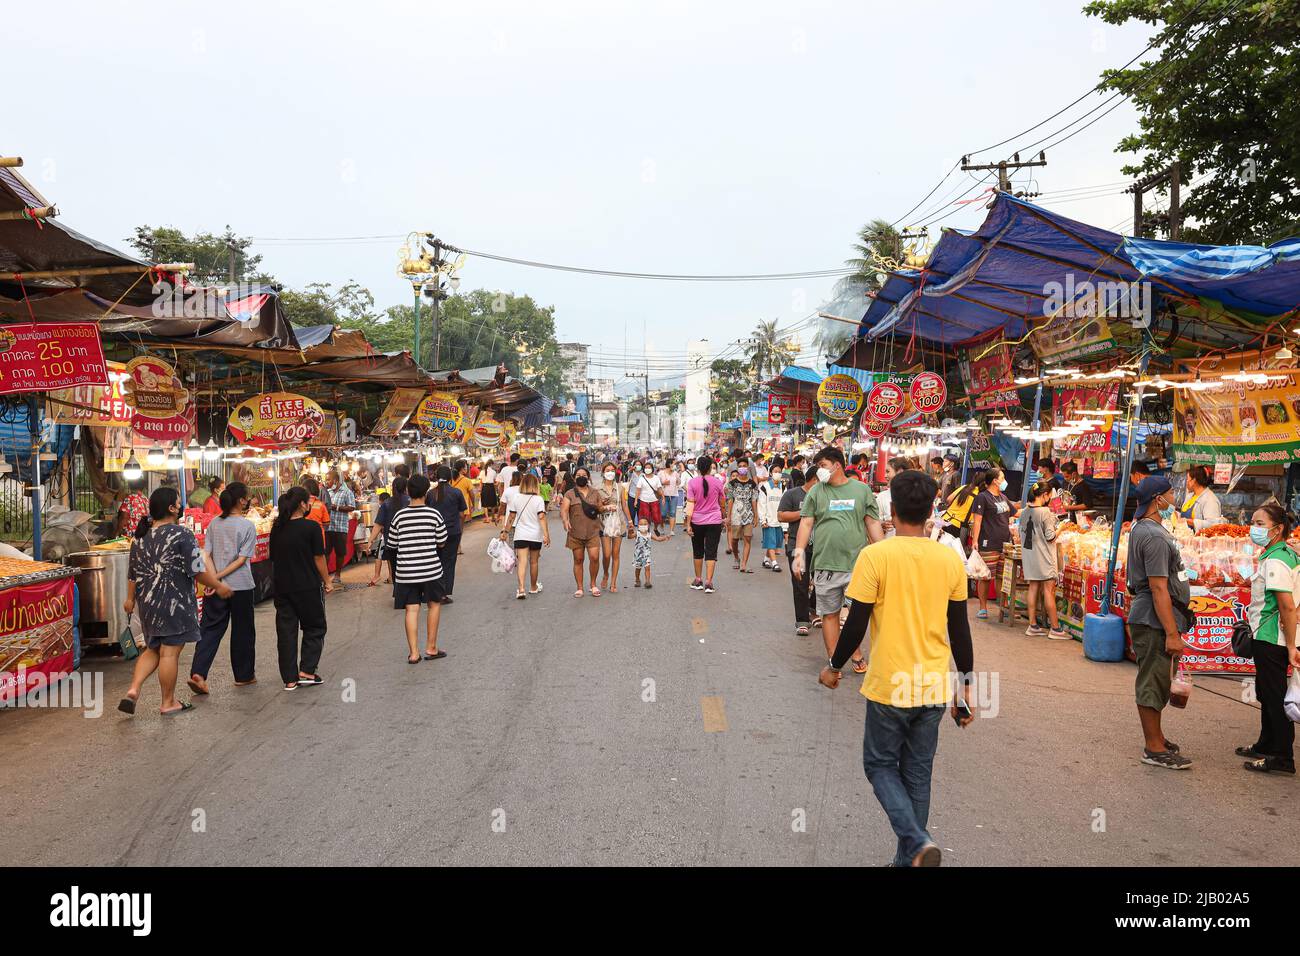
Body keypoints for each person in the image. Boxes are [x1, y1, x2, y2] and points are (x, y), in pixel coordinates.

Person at [817, 469, 974, 867]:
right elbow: (960, 630)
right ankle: (911, 860)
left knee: (880, 765)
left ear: (893, 508)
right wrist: (967, 685)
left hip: (891, 685)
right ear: (932, 508)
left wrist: (834, 665)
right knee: (918, 776)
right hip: (934, 686)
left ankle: (917, 843)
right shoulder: (948, 559)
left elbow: (855, 624)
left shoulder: (876, 556)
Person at [118, 488, 233, 716]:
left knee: (152, 649)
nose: (180, 506)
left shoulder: (139, 539)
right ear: (171, 508)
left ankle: (133, 689)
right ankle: (168, 702)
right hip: (174, 603)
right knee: (169, 653)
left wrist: (130, 599)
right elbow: (197, 571)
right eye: (178, 503)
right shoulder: (182, 535)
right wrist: (219, 585)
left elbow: (133, 575)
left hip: (148, 603)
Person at [792, 446, 883, 673]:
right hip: (825, 564)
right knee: (829, 614)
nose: (819, 471)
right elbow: (806, 523)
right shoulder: (816, 492)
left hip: (857, 564)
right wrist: (798, 554)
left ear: (837, 465)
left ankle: (855, 651)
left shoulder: (861, 491)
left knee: (856, 614)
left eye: (822, 466)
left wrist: (884, 554)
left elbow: (872, 523)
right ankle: (835, 662)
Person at [1125, 475, 1193, 769]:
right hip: (1152, 620)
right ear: (1158, 500)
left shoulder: (1149, 528)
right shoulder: (1152, 535)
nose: (1174, 498)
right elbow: (1158, 588)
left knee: (1159, 679)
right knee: (1153, 681)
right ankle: (1153, 747)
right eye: (1170, 493)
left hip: (1156, 617)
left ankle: (1158, 738)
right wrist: (1171, 633)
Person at [1241, 503, 1298, 774]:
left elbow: (1286, 605)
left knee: (1274, 696)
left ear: (1277, 529)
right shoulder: (1281, 554)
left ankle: (1282, 756)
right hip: (1269, 635)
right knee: (1265, 691)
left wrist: (1290, 645)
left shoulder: (1277, 559)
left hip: (1273, 637)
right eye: (1253, 522)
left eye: (1260, 523)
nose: (1254, 528)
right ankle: (1266, 743)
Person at [189, 481, 258, 694]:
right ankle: (244, 676)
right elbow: (241, 560)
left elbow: (205, 554)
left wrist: (213, 580)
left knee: (209, 629)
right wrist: (217, 579)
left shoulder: (214, 524)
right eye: (246, 497)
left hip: (215, 587)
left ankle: (198, 674)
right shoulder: (247, 526)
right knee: (243, 631)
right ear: (241, 501)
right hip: (241, 586)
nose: (248, 500)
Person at [268, 486, 331, 690]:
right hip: (308, 586)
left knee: (286, 631)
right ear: (302, 504)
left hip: (283, 587)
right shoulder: (311, 527)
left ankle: (289, 678)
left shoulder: (277, 529)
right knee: (315, 627)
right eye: (307, 501)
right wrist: (327, 581)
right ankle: (307, 671)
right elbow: (319, 558)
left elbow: (273, 558)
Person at [387, 474, 449, 664]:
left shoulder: (399, 516)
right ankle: (431, 647)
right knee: (433, 605)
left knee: (411, 609)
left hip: (406, 573)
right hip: (431, 570)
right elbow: (442, 541)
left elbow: (392, 544)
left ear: (408, 491)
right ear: (426, 492)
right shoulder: (434, 514)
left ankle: (413, 653)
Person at [968, 467, 1018, 620]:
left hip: (1004, 543)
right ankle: (983, 608)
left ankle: (1004, 607)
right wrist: (975, 541)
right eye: (1002, 477)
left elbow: (1015, 512)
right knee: (985, 576)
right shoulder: (982, 497)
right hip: (988, 542)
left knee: (1002, 577)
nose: (1004, 480)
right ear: (995, 481)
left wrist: (1034, 507)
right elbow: (977, 520)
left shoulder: (1003, 497)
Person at [1020, 480, 1067, 639]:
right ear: (1044, 495)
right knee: (1049, 590)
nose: (1049, 499)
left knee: (1033, 588)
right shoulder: (1045, 512)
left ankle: (1032, 625)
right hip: (1044, 557)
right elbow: (1050, 537)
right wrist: (1061, 527)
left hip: (1030, 556)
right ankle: (1055, 629)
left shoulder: (1025, 511)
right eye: (1049, 496)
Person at [778, 467, 818, 634]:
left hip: (820, 546)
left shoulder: (825, 495)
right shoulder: (792, 494)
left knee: (820, 581)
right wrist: (804, 513)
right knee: (799, 582)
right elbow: (781, 516)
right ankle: (802, 620)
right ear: (814, 478)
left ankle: (813, 608)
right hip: (795, 546)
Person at [503, 473, 550, 598]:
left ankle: (521, 589)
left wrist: (505, 532)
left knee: (522, 561)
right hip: (535, 535)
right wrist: (546, 535)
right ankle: (533, 587)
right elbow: (541, 517)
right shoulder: (539, 499)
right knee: (534, 562)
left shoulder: (517, 498)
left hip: (520, 534)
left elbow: (511, 517)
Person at [684, 455, 726, 593]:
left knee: (698, 551)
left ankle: (698, 580)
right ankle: (709, 582)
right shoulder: (718, 482)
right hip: (714, 520)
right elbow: (722, 502)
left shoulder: (692, 483)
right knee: (711, 552)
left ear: (697, 468)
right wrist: (724, 517)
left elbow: (690, 504)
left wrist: (688, 524)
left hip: (697, 521)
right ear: (710, 468)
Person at [560, 467, 603, 597]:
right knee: (578, 559)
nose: (581, 477)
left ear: (588, 477)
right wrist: (565, 520)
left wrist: (606, 507)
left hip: (593, 531)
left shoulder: (595, 492)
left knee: (594, 558)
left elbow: (600, 508)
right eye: (578, 475)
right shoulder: (569, 494)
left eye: (584, 475)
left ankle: (593, 584)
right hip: (575, 532)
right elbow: (564, 509)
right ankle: (579, 587)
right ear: (574, 478)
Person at [429, 465, 467, 603]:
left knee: (436, 561)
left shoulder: (431, 494)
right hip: (453, 532)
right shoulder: (456, 493)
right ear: (450, 477)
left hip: (434, 533)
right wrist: (460, 529)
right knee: (449, 563)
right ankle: (444, 594)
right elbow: (462, 515)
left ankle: (434, 591)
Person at [596, 463, 632, 593]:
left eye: (612, 470)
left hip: (619, 524)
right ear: (603, 472)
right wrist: (603, 505)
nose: (610, 472)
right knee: (606, 554)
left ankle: (613, 582)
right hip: (603, 524)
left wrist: (630, 521)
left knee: (615, 554)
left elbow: (624, 505)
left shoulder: (620, 488)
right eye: (607, 470)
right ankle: (605, 573)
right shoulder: (597, 488)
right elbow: (595, 507)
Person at [322, 469, 356, 587]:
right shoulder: (328, 492)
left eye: (328, 479)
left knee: (340, 553)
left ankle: (338, 575)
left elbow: (352, 507)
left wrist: (336, 507)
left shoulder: (347, 492)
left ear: (335, 480)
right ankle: (324, 576)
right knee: (325, 552)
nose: (327, 482)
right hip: (328, 527)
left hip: (341, 527)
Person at [727, 464, 759, 572]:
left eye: (744, 466)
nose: (742, 468)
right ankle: (736, 557)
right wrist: (728, 516)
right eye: (740, 466)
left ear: (748, 468)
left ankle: (744, 563)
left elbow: (754, 500)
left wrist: (756, 516)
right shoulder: (732, 484)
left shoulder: (752, 484)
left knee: (747, 538)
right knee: (734, 540)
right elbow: (730, 500)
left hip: (748, 514)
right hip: (736, 515)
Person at [1178, 465, 1223, 532]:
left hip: (1200, 540)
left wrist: (1190, 522)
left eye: (1187, 479)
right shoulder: (1190, 496)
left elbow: (1213, 524)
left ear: (1193, 481)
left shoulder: (1210, 500)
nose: (1186, 482)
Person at [756, 465, 784, 572]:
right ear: (771, 473)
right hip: (768, 519)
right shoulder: (765, 487)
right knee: (771, 542)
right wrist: (763, 520)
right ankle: (774, 563)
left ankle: (766, 559)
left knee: (775, 542)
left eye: (779, 471)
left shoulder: (783, 487)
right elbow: (761, 504)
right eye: (775, 471)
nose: (778, 473)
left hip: (779, 520)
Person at [876, 457, 912, 538]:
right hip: (889, 545)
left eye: (888, 471)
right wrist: (882, 525)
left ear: (900, 472)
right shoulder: (882, 497)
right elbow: (876, 522)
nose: (885, 476)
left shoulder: (915, 494)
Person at [631, 516, 668, 588]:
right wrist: (630, 531)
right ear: (638, 526)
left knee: (647, 568)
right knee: (638, 569)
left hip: (646, 555)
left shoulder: (649, 535)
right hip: (638, 555)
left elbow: (658, 539)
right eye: (641, 524)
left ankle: (647, 581)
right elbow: (630, 536)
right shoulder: (637, 534)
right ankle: (637, 579)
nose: (643, 526)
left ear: (648, 526)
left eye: (645, 524)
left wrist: (665, 537)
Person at [631, 460, 664, 533]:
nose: (647, 469)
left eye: (649, 468)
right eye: (646, 468)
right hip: (644, 500)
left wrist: (663, 497)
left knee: (656, 517)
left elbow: (660, 488)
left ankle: (655, 528)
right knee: (645, 517)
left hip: (654, 500)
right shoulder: (642, 478)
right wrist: (636, 500)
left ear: (652, 469)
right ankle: (647, 530)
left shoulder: (656, 478)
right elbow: (638, 490)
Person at [300, 476, 330, 546]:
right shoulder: (321, 505)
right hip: (318, 537)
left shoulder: (300, 504)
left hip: (304, 537)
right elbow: (327, 522)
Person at [659, 461, 680, 536]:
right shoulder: (661, 473)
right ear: (669, 464)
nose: (675, 465)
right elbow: (657, 483)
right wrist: (663, 483)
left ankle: (671, 530)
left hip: (674, 495)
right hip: (664, 495)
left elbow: (679, 482)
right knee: (663, 514)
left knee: (672, 512)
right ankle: (661, 526)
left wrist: (677, 483)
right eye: (674, 464)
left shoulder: (676, 473)